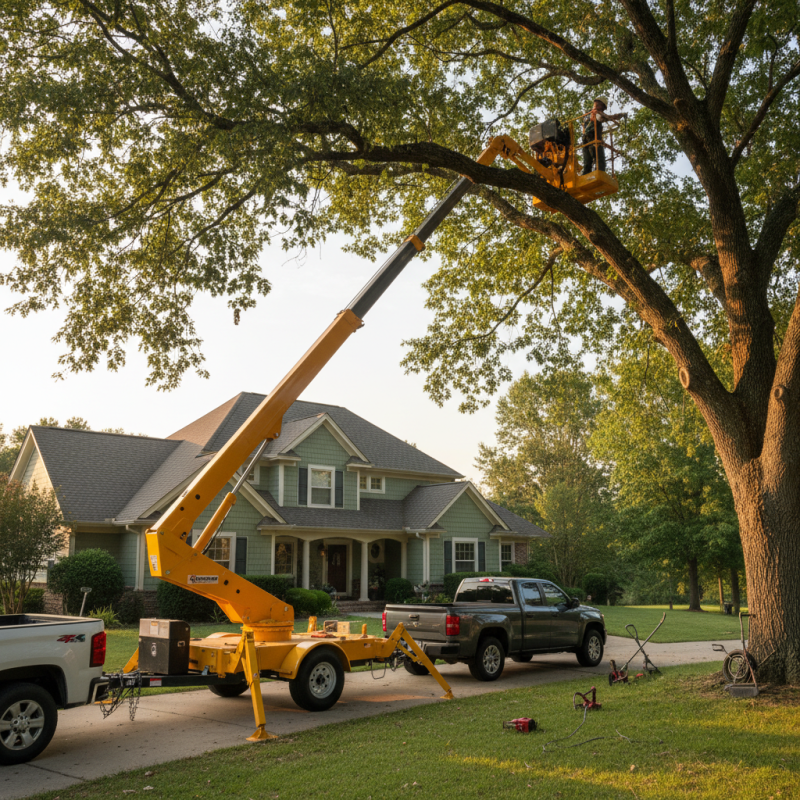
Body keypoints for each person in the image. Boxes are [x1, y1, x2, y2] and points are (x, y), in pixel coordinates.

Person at [581, 96, 627, 175]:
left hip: (585, 140)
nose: (601, 109)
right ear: (600, 105)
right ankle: (599, 176)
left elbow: (584, 128)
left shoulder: (587, 115)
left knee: (587, 163)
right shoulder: (597, 114)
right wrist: (621, 115)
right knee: (600, 162)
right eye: (601, 107)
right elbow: (609, 117)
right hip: (593, 139)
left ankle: (585, 176)